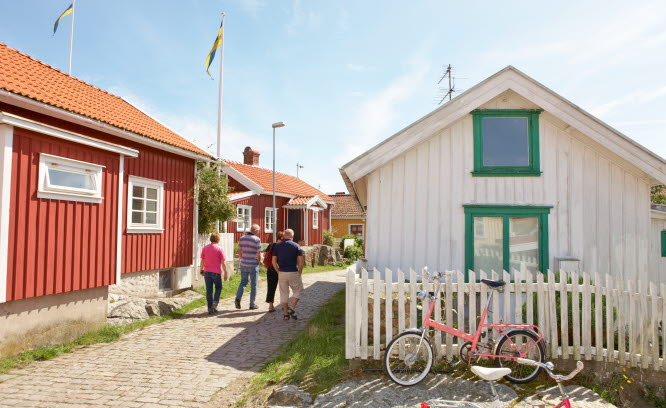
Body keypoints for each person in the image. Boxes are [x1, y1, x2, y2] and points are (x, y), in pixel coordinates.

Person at [272, 229, 304, 321]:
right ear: (292, 236)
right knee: (298, 290)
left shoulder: (277, 246)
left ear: (284, 236)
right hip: (293, 271)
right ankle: (292, 308)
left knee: (284, 293)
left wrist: (278, 271)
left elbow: (273, 261)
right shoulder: (296, 246)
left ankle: (285, 314)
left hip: (282, 272)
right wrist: (300, 272)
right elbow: (300, 262)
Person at [200, 233, 229, 315]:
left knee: (209, 290)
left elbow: (202, 260)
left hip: (207, 272)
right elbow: (223, 262)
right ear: (218, 240)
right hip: (216, 272)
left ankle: (210, 308)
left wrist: (201, 269)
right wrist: (226, 272)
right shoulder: (219, 249)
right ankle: (215, 303)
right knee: (218, 288)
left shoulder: (205, 248)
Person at [236, 224, 262, 310]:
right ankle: (252, 304)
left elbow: (239, 250)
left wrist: (242, 258)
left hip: (244, 263)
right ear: (255, 230)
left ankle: (238, 298)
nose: (258, 232)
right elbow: (259, 253)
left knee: (243, 282)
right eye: (258, 231)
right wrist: (258, 261)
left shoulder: (242, 238)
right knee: (254, 284)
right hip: (253, 264)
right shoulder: (257, 239)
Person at [263, 231, 283, 313]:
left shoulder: (271, 245)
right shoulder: (281, 246)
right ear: (282, 238)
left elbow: (264, 255)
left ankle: (270, 305)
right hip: (280, 269)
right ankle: (284, 304)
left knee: (271, 287)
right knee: (283, 288)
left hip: (270, 269)